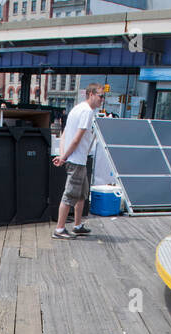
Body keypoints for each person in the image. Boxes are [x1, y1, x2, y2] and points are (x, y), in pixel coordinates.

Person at [51, 83, 104, 239]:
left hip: (75, 158)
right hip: (77, 160)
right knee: (69, 195)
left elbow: (65, 134)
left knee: (81, 194)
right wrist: (64, 157)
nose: (102, 100)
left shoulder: (76, 109)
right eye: (100, 96)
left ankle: (77, 225)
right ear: (91, 94)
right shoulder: (87, 112)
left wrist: (62, 155)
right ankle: (59, 230)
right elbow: (76, 139)